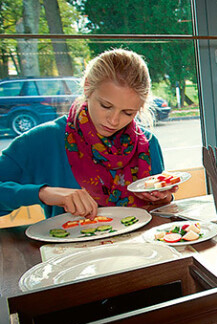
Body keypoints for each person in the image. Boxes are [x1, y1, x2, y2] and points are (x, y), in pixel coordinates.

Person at [0, 49, 175, 219]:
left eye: (128, 113)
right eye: (106, 106)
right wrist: (44, 193)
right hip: (71, 248)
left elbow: (159, 216)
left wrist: (164, 198)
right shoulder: (44, 140)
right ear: (87, 87)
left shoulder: (148, 144)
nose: (113, 121)